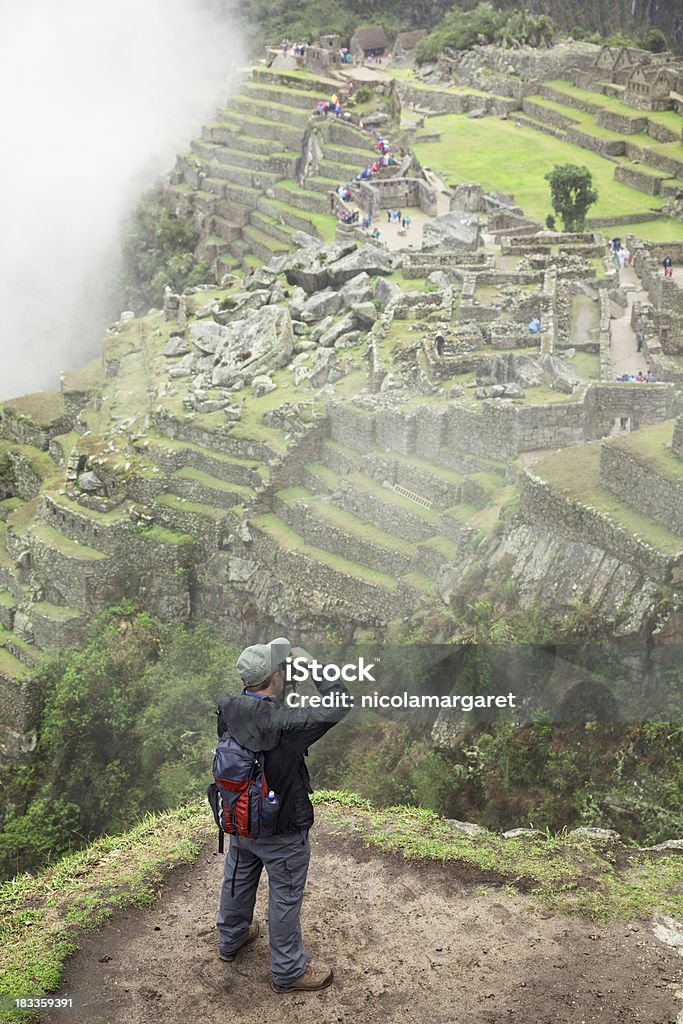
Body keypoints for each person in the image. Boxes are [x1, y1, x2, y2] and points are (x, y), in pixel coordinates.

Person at [215, 637, 351, 993]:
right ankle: (288, 970)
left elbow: (258, 726)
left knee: (239, 875)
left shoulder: (228, 709)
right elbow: (339, 704)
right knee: (285, 894)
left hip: (240, 817)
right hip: (282, 827)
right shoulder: (288, 724)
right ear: (275, 676)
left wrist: (281, 684)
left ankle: (231, 938)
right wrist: (313, 666)